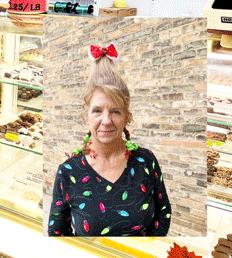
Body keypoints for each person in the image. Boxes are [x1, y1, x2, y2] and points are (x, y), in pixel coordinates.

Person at [48, 43, 171, 237]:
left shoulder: (146, 161)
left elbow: (163, 213)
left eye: (115, 111)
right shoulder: (68, 171)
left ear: (127, 117)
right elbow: (58, 232)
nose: (106, 121)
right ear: (86, 116)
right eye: (97, 111)